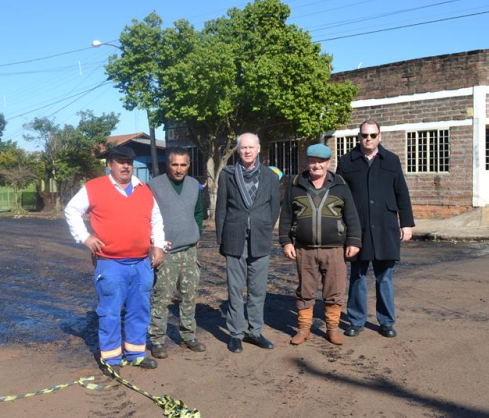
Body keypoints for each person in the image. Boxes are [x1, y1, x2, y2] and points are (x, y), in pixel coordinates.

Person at [65, 145, 167, 371]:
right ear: (109, 165)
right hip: (110, 264)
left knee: (139, 310)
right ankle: (111, 359)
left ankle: (135, 353)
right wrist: (85, 237)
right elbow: (71, 210)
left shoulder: (144, 189)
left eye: (129, 162)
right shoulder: (94, 188)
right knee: (110, 312)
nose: (125, 166)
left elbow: (156, 219)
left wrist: (158, 245)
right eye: (120, 162)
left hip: (141, 263)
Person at [336, 120, 415, 339]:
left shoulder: (391, 160)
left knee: (385, 278)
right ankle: (356, 320)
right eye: (364, 135)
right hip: (356, 228)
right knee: (357, 276)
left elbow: (402, 193)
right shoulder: (346, 161)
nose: (368, 139)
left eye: (372, 135)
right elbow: (338, 196)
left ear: (380, 136)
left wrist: (406, 223)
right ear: (358, 137)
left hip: (385, 227)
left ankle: (386, 321)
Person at [279, 144, 362, 346]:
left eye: (321, 161)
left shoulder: (340, 185)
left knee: (334, 290)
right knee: (305, 290)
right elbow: (286, 216)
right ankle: (304, 329)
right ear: (308, 162)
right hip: (304, 249)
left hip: (335, 249)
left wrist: (354, 240)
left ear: (328, 163)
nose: (316, 165)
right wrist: (285, 241)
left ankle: (332, 329)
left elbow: (351, 215)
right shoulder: (296, 184)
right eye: (312, 161)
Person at [215, 133, 281, 353]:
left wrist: (262, 226)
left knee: (257, 290)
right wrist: (221, 240)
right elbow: (221, 209)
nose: (247, 151)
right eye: (243, 148)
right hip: (234, 239)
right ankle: (236, 333)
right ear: (238, 150)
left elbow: (274, 209)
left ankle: (255, 332)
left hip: (260, 240)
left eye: (251, 147)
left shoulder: (270, 176)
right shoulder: (228, 175)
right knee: (235, 290)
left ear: (259, 148)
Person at [147, 147, 206, 359]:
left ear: (188, 165)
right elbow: (146, 217)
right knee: (161, 298)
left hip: (189, 252)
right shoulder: (154, 186)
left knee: (189, 296)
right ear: (168, 165)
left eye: (183, 165)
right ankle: (157, 339)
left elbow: (199, 213)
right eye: (175, 164)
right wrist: (155, 243)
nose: (179, 169)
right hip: (166, 253)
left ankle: (188, 336)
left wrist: (196, 232)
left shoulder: (193, 185)